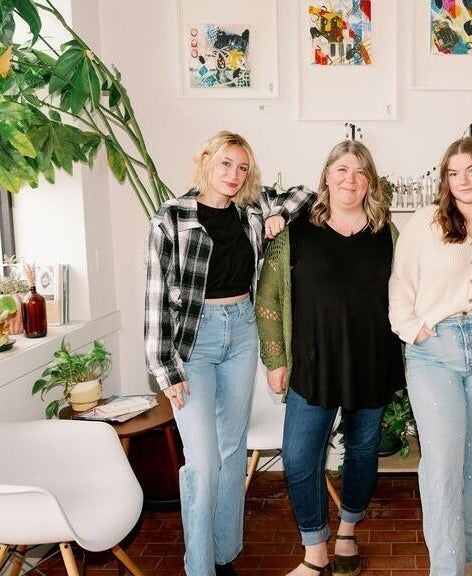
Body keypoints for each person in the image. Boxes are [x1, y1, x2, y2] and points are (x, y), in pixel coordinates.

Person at [144, 130, 313, 576]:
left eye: (242, 167)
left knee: (232, 449)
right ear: (206, 162)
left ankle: (224, 554)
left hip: (241, 331)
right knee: (202, 461)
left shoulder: (252, 209)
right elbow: (157, 295)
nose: (233, 175)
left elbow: (306, 194)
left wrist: (279, 217)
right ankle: (199, 567)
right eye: (224, 164)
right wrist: (166, 367)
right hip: (192, 342)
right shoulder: (172, 217)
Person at [255, 140, 405, 576]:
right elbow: (267, 297)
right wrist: (275, 358)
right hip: (312, 363)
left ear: (369, 183)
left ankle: (347, 532)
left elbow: (406, 293)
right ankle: (313, 549)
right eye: (341, 169)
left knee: (360, 451)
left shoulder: (387, 235)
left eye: (360, 172)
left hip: (370, 360)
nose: (350, 179)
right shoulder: (295, 232)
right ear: (326, 176)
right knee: (300, 456)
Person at [388, 137, 472, 576]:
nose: (462, 180)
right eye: (453, 172)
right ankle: (446, 568)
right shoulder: (425, 222)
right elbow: (400, 284)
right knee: (441, 462)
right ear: (445, 178)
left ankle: (466, 558)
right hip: (435, 351)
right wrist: (413, 330)